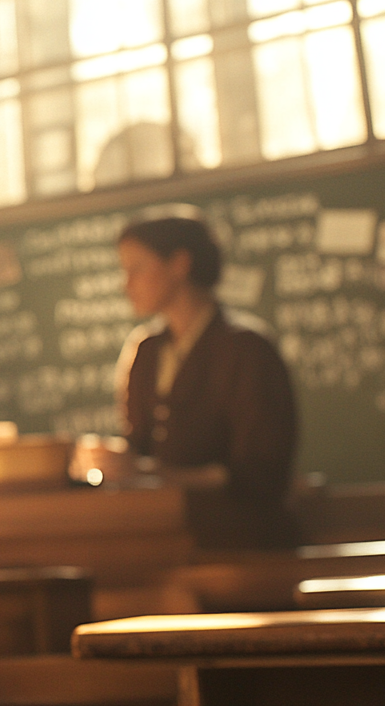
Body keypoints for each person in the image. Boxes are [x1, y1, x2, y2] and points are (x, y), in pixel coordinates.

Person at [114, 209, 299, 547]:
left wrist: (167, 477)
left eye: (137, 269)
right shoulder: (146, 352)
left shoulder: (247, 348)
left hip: (243, 544)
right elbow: (137, 448)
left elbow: (262, 472)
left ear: (179, 264)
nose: (127, 285)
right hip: (164, 538)